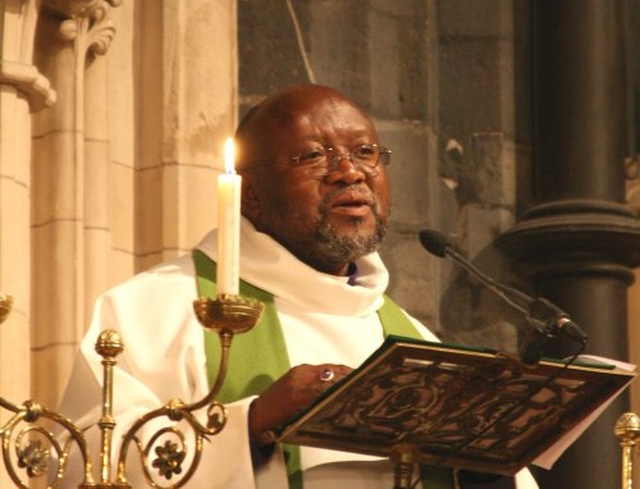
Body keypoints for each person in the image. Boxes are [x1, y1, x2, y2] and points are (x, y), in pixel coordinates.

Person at [60, 84, 539, 488]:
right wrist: (251, 423)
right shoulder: (155, 308)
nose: (350, 172)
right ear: (250, 195)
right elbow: (82, 460)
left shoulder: (411, 337)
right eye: (313, 156)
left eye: (366, 152)